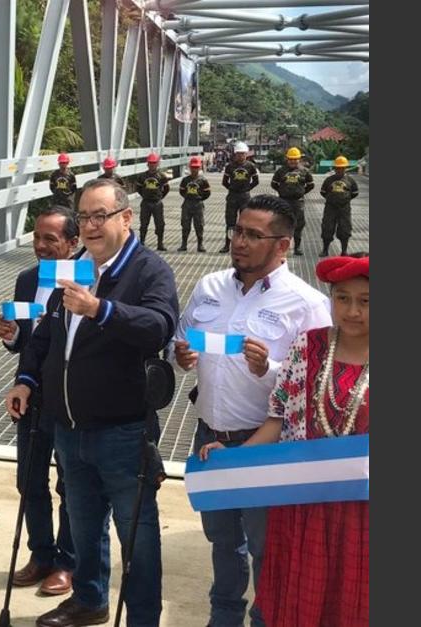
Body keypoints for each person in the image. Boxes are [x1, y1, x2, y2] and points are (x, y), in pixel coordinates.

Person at [6, 178, 178, 627]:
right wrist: (26, 380)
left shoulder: (148, 269)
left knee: (137, 535)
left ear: (126, 217)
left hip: (123, 430)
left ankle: (142, 618)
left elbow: (158, 326)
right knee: (83, 526)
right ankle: (89, 600)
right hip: (68, 426)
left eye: (100, 216)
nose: (90, 226)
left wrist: (100, 309)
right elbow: (45, 333)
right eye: (84, 217)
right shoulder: (76, 268)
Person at [174, 194, 332, 627]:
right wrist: (181, 355)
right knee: (222, 540)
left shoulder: (307, 304)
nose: (239, 242)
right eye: (237, 231)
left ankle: (267, 617)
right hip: (210, 436)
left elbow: (318, 382)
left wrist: (270, 369)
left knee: (266, 545)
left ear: (282, 245)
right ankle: (223, 615)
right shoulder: (209, 287)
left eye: (253, 235)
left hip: (266, 443)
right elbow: (181, 340)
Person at [236, 254, 366, 627]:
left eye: (366, 301)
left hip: (363, 513)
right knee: (299, 603)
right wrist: (233, 460)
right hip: (304, 507)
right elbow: (278, 419)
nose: (352, 311)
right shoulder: (308, 347)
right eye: (342, 298)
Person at [0, 205, 78, 596]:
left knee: (71, 485)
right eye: (37, 237)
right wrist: (11, 334)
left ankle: (68, 562)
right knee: (29, 480)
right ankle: (41, 554)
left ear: (73, 243)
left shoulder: (84, 282)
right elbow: (26, 342)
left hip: (69, 399)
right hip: (29, 394)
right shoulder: (27, 279)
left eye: (51, 239)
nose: (41, 246)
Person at [271, 147, 315, 256]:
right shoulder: (281, 171)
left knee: (298, 225)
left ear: (299, 159)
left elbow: (311, 185)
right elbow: (274, 184)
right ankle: (282, 248)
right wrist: (282, 192)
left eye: (295, 159)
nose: (293, 161)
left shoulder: (304, 171)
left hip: (298, 202)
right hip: (284, 201)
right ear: (287, 159)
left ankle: (297, 247)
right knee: (282, 223)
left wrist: (301, 192)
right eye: (291, 159)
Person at [219, 142, 260, 253]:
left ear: (246, 154)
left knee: (245, 223)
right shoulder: (230, 166)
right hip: (232, 197)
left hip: (245, 197)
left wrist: (247, 189)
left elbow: (256, 181)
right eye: (238, 154)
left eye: (243, 154)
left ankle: (245, 245)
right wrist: (232, 189)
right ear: (235, 154)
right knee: (230, 223)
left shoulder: (250, 166)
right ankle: (227, 245)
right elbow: (224, 182)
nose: (241, 156)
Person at [319, 156, 359, 257]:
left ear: (345, 168)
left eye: (342, 168)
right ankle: (325, 250)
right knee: (327, 228)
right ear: (335, 168)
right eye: (337, 168)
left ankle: (344, 251)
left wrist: (344, 200)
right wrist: (332, 199)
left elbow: (355, 193)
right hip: (330, 208)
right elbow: (323, 192)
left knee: (345, 229)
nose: (339, 170)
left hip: (344, 209)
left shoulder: (350, 180)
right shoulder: (329, 180)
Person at [135, 152, 171, 251]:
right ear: (147, 164)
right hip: (146, 202)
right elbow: (138, 188)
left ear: (157, 164)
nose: (152, 165)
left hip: (157, 203)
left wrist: (160, 197)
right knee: (143, 223)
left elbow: (167, 188)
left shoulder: (161, 176)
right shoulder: (142, 176)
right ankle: (142, 242)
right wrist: (144, 195)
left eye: (154, 163)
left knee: (160, 224)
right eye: (150, 163)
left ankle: (160, 243)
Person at [179, 155, 212, 252]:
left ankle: (200, 244)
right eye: (193, 167)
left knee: (199, 225)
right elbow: (181, 191)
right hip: (187, 204)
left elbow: (208, 192)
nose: (194, 170)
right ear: (190, 168)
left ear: (199, 168)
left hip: (198, 204)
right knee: (185, 224)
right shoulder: (185, 180)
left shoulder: (203, 180)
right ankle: (184, 244)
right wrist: (187, 197)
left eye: (196, 167)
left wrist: (200, 198)